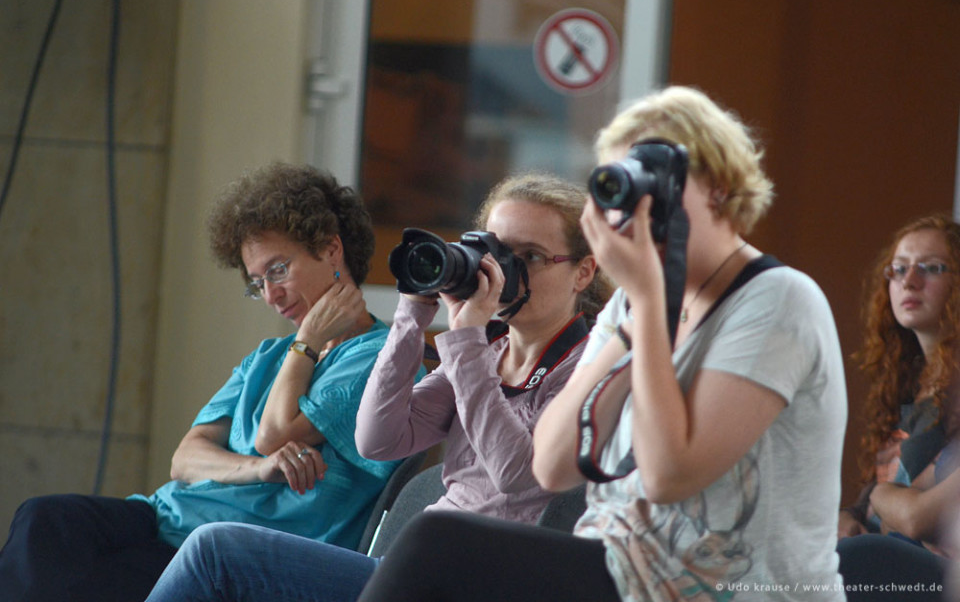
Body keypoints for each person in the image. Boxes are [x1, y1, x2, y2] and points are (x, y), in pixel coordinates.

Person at [356, 85, 848, 602]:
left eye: (652, 182)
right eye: (618, 187)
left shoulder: (777, 301)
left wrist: (649, 302)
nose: (632, 208)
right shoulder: (630, 305)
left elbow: (667, 475)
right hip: (618, 577)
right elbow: (552, 462)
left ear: (719, 188)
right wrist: (639, 306)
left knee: (441, 543)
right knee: (432, 544)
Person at [142, 172, 612, 602]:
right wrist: (412, 314)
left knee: (217, 552)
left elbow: (518, 478)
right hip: (414, 569)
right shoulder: (484, 353)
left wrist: (466, 339)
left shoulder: (589, 367)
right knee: (211, 552)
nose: (509, 272)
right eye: (498, 254)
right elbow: (381, 439)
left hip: (480, 582)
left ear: (584, 271)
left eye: (529, 257)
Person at [0, 162, 408, 602]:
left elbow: (276, 434)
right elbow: (186, 459)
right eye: (257, 283)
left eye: (277, 270)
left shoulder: (378, 356)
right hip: (164, 517)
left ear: (331, 250)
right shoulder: (268, 357)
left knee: (70, 582)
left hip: (229, 556)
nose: (270, 296)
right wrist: (256, 469)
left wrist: (307, 342)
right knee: (41, 519)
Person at [836, 213, 960, 600]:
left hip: (944, 579)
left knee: (857, 559)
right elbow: (869, 502)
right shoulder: (907, 386)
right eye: (899, 269)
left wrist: (880, 497)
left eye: (932, 268)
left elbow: (917, 518)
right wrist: (847, 518)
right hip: (887, 567)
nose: (909, 280)